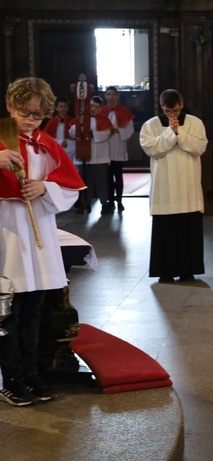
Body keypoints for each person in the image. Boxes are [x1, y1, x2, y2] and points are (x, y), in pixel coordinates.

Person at [0, 77, 85, 406]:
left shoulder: (48, 144)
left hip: (37, 235)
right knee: (9, 311)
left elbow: (70, 188)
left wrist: (44, 188)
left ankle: (33, 374)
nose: (31, 120)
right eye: (24, 112)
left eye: (38, 115)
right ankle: (10, 378)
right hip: (6, 232)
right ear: (9, 105)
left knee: (34, 309)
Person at [140, 89, 207, 283]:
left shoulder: (195, 123)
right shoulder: (150, 125)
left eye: (176, 111)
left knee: (188, 230)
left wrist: (180, 132)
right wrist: (171, 133)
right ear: (162, 107)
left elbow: (199, 147)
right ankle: (165, 271)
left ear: (182, 104)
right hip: (165, 187)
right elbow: (154, 150)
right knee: (166, 232)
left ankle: (188, 270)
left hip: (188, 186)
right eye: (169, 111)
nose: (173, 115)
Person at [69, 95, 112, 215]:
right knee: (86, 182)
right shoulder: (81, 118)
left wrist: (89, 133)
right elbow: (72, 133)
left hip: (100, 157)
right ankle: (85, 204)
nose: (93, 109)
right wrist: (79, 124)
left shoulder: (104, 119)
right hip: (84, 156)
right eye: (92, 106)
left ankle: (105, 204)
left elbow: (106, 134)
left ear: (100, 109)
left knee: (101, 182)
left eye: (97, 107)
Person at [102, 86, 135, 212]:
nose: (111, 97)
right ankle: (110, 201)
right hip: (105, 147)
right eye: (108, 94)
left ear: (117, 96)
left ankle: (120, 200)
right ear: (105, 96)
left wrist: (118, 131)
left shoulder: (124, 111)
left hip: (118, 146)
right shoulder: (102, 111)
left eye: (113, 94)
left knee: (118, 175)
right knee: (108, 177)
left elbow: (129, 130)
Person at [42, 97, 75, 162]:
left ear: (68, 107)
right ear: (56, 108)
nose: (63, 109)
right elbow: (46, 138)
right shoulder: (52, 122)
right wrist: (60, 142)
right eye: (61, 106)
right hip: (56, 150)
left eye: (65, 106)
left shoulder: (72, 121)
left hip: (71, 152)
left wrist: (68, 142)